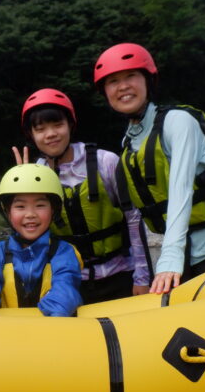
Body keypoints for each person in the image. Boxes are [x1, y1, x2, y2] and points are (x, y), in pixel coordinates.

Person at [93, 42, 205, 294]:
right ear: (105, 92)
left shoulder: (178, 122)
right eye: (113, 81)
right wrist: (144, 272)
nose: (123, 86)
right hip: (185, 256)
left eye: (131, 76)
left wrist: (168, 257)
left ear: (148, 81)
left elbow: (181, 191)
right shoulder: (129, 142)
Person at [13, 88, 150, 304]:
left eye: (58, 125)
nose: (50, 134)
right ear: (32, 135)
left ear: (70, 125)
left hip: (122, 276)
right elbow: (28, 237)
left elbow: (134, 220)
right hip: (69, 283)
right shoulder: (34, 176)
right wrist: (21, 191)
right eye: (40, 129)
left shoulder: (106, 162)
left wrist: (142, 277)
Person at [0, 164, 83, 317]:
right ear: (7, 212)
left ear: (53, 210)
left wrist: (56, 312)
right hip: (9, 332)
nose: (30, 214)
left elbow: (65, 286)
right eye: (20, 206)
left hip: (51, 327)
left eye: (40, 205)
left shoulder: (64, 252)